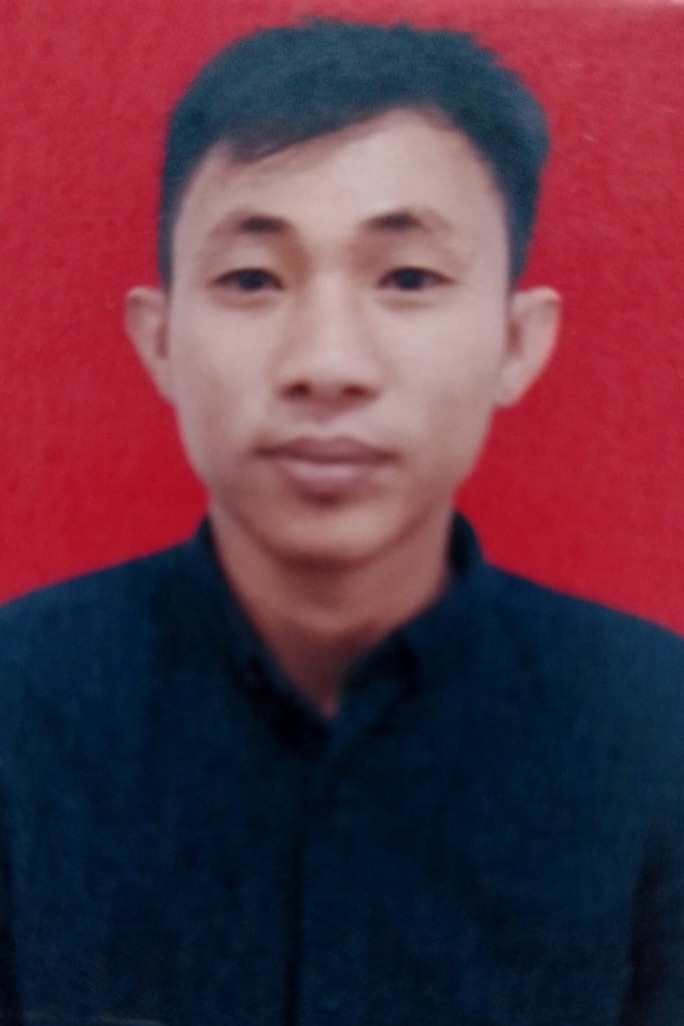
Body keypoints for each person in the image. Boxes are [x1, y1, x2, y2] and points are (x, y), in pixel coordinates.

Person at [0, 16, 682, 1026]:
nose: (327, 364)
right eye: (251, 279)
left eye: (408, 278)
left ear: (516, 341)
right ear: (159, 339)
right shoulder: (15, 703)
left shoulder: (659, 723)